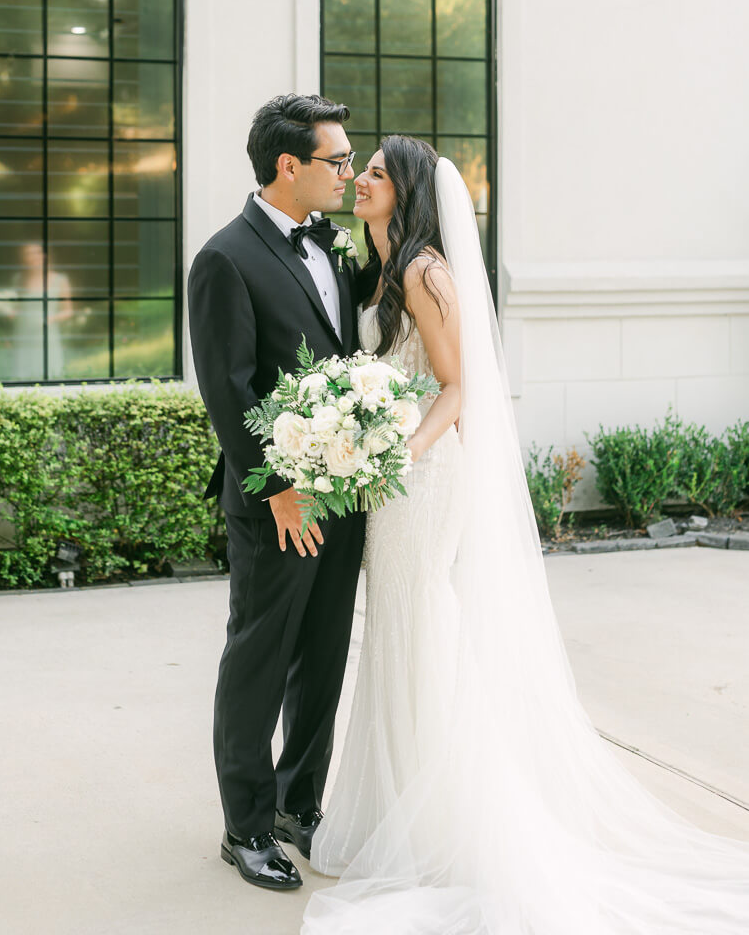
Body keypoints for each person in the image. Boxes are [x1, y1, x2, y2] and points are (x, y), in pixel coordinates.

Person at [303, 136, 749, 933]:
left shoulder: (423, 270)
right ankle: (400, 811)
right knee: (401, 631)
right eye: (358, 168)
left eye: (373, 171)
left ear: (404, 190)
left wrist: (397, 451)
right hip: (389, 487)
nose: (359, 179)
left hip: (423, 481)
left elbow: (461, 385)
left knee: (420, 625)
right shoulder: (374, 268)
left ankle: (452, 821)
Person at [187, 94, 365, 893]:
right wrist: (279, 490)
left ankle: (300, 805)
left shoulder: (336, 245)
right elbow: (228, 392)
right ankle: (247, 826)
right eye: (337, 160)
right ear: (288, 165)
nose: (348, 173)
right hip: (278, 505)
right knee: (260, 657)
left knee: (323, 656)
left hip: (346, 496)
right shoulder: (225, 258)